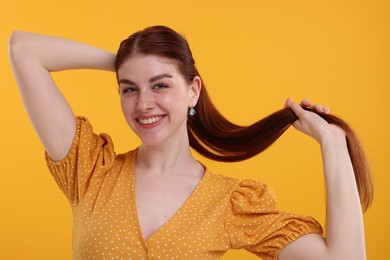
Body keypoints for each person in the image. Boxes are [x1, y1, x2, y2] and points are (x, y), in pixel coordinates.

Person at [9, 26, 372, 259]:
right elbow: (23, 48)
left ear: (192, 90)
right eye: (129, 88)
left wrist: (333, 144)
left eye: (161, 84)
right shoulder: (89, 171)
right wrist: (124, 62)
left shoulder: (231, 204)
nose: (143, 103)